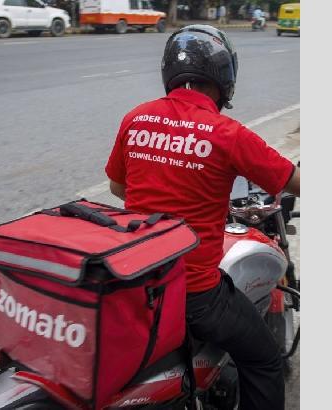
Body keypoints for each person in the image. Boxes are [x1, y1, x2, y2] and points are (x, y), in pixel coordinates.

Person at [105, 25, 299, 410]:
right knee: (264, 360)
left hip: (138, 281)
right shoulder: (228, 134)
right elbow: (292, 181)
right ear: (224, 77)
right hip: (194, 293)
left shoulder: (136, 118)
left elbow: (117, 188)